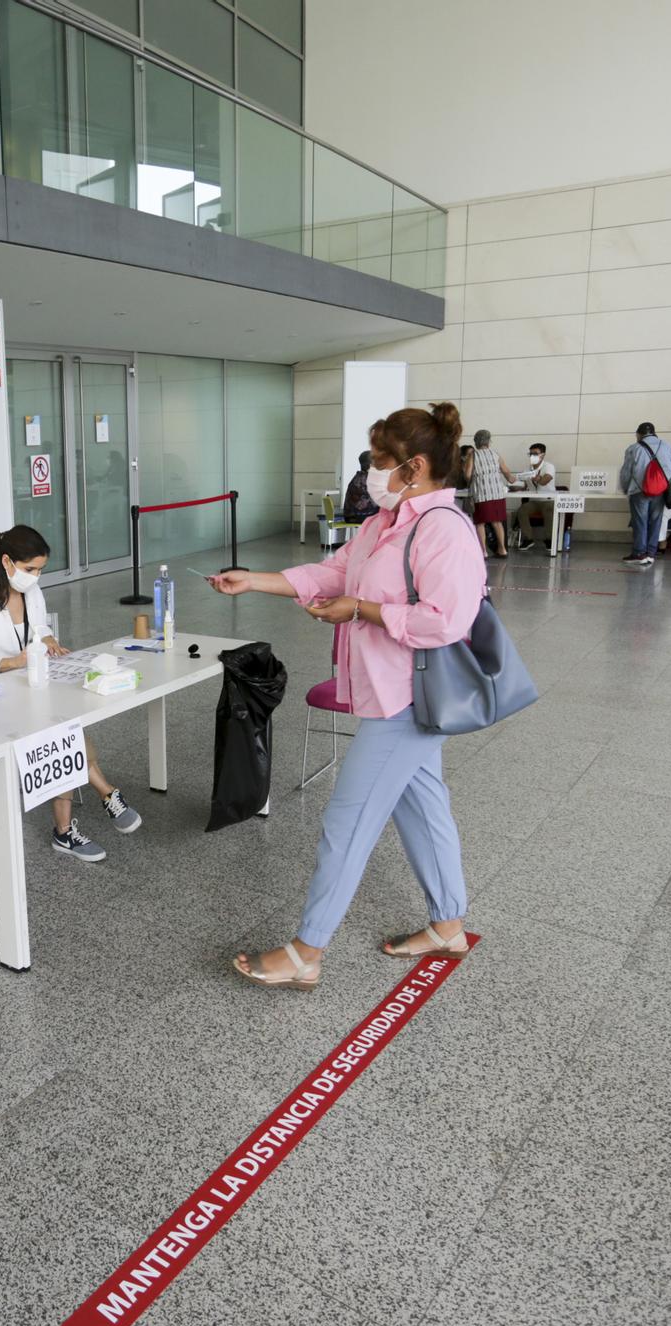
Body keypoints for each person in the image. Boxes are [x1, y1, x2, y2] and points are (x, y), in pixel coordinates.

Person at [207, 403, 484, 990]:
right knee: (423, 807)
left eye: (379, 463)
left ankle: (308, 949)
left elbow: (447, 620)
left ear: (414, 466)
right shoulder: (382, 524)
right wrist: (253, 579)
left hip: (409, 698)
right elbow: (334, 575)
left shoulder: (444, 530)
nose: (369, 475)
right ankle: (448, 926)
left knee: (347, 820)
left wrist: (363, 610)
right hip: (390, 691)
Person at [0, 526, 142, 863]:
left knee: (66, 728)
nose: (35, 577)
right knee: (63, 734)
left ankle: (69, 830)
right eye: (30, 569)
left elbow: (39, 630)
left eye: (40, 570)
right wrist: (15, 661)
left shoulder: (32, 594)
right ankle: (103, 796)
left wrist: (47, 640)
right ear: (7, 562)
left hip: (34, 686)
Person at [619, 423, 671, 569]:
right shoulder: (666, 446)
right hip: (659, 491)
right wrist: (663, 481)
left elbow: (626, 472)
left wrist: (624, 488)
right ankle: (651, 553)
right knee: (656, 521)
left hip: (639, 491)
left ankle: (639, 553)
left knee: (640, 521)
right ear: (654, 433)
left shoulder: (633, 448)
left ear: (639, 434)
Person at [465, 429, 515, 557]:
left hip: (481, 494)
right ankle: (502, 549)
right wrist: (512, 478)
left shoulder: (473, 455)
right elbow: (507, 473)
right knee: (497, 522)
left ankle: (483, 552)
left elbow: (467, 475)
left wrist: (470, 481)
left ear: (476, 442)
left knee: (480, 523)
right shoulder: (495, 454)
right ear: (489, 442)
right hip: (497, 493)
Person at [512, 442, 561, 552]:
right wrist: (513, 486)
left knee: (549, 510)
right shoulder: (527, 469)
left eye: (535, 453)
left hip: (548, 500)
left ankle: (549, 539)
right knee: (522, 510)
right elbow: (523, 485)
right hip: (534, 501)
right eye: (530, 453)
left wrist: (536, 477)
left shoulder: (549, 467)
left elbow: (545, 481)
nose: (532, 456)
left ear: (542, 455)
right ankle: (528, 539)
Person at [341, 449, 378, 524]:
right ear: (371, 466)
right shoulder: (369, 479)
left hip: (349, 516)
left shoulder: (358, 477)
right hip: (359, 516)